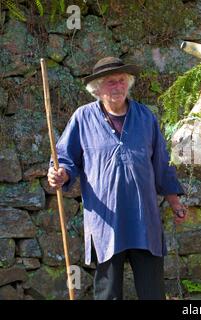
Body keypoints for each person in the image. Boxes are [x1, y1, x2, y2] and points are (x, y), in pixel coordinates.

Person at [47, 57, 187, 300]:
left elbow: (162, 164)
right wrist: (61, 173)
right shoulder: (83, 118)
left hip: (145, 220)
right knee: (108, 293)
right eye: (110, 82)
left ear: (128, 84)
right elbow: (65, 158)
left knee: (152, 292)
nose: (117, 87)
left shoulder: (146, 117)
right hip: (107, 224)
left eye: (121, 81)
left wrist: (174, 202)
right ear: (97, 89)